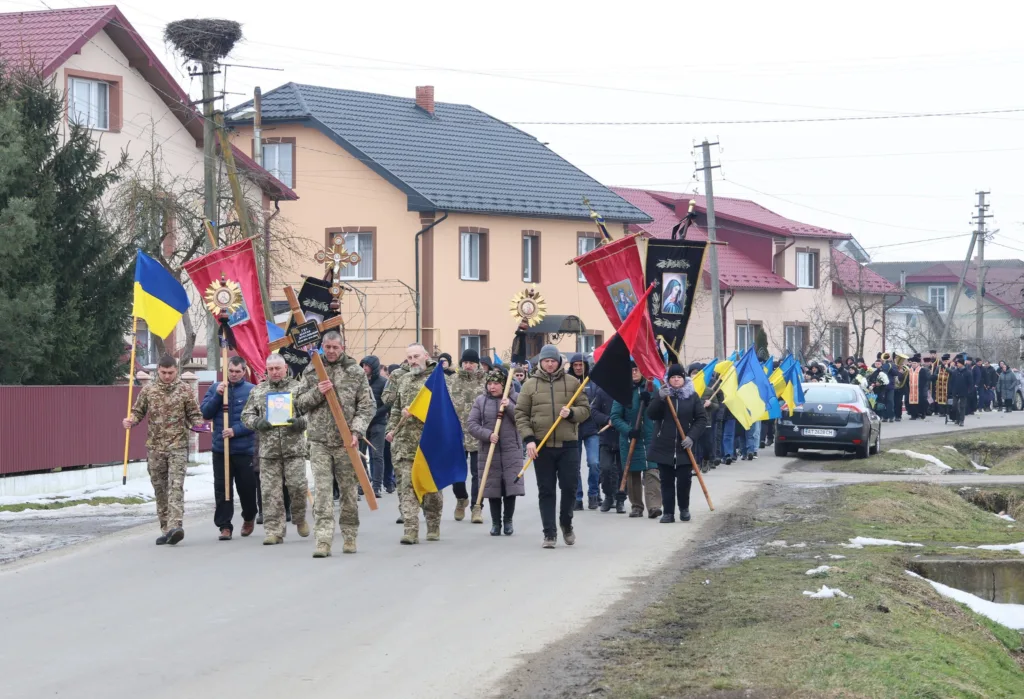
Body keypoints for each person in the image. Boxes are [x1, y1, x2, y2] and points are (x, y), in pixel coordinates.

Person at [294, 331, 375, 557]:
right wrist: (317, 392)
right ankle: (323, 540)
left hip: (345, 442)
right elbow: (298, 403)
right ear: (322, 346)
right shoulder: (312, 370)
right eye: (327, 347)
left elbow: (367, 406)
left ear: (342, 347)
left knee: (348, 491)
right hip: (319, 441)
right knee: (322, 492)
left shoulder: (355, 372)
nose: (330, 351)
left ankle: (349, 535)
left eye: (334, 347)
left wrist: (356, 431)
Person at [514, 344, 591, 549]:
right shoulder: (530, 385)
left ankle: (566, 523)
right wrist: (529, 439)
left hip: (568, 445)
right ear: (541, 362)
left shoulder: (572, 382)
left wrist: (572, 413)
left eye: (553, 361)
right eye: (546, 361)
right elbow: (520, 414)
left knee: (569, 487)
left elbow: (585, 409)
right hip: (542, 445)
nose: (550, 364)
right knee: (546, 490)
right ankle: (549, 532)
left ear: (559, 362)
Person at [122, 354, 204, 546]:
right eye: (164, 372)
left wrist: (200, 425)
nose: (167, 376)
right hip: (155, 447)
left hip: (178, 446)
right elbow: (138, 411)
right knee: (160, 489)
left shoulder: (184, 390)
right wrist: (131, 420)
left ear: (176, 371)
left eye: (171, 372)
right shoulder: (149, 390)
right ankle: (166, 529)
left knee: (175, 486)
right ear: (158, 371)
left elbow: (194, 414)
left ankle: (176, 525)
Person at [241, 354, 310, 544]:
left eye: (278, 368)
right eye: (271, 369)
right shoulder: (258, 391)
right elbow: (246, 415)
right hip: (269, 451)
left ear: (285, 368)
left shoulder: (298, 389)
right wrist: (257, 422)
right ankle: (274, 531)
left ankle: (299, 518)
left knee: (297, 486)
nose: (275, 372)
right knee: (270, 492)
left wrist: (300, 422)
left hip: (294, 449)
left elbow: (312, 414)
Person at [386, 344, 445, 544]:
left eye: (416, 356)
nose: (412, 361)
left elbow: (444, 412)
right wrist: (391, 430)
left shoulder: (437, 380)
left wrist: (419, 412)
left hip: (429, 444)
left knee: (431, 489)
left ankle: (433, 524)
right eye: (409, 357)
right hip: (405, 443)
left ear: (426, 356)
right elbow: (396, 409)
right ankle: (410, 529)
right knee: (407, 488)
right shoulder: (404, 380)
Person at [200, 356, 258, 541]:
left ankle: (249, 517)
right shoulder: (215, 388)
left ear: (243, 372)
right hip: (221, 449)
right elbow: (205, 413)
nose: (233, 375)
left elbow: (255, 420)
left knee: (247, 488)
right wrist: (218, 395)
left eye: (237, 371)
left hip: (244, 449)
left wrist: (235, 430)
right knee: (222, 489)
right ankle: (225, 526)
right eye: (230, 371)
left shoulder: (252, 391)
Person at [647, 364, 708, 523]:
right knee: (666, 481)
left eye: (679, 377)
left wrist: (691, 437)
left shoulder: (692, 396)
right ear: (668, 379)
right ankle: (668, 512)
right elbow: (651, 414)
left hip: (684, 447)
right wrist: (659, 398)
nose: (676, 380)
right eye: (673, 377)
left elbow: (701, 419)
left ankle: (684, 508)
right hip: (664, 445)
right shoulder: (663, 395)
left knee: (684, 481)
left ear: (684, 379)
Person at [467, 368, 525, 536]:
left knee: (510, 486)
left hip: (511, 450)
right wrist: (488, 435)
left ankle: (508, 521)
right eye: (490, 383)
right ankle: (495, 523)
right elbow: (472, 424)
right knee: (493, 487)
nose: (492, 387)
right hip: (489, 450)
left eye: (496, 383)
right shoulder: (481, 401)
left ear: (503, 385)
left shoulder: (515, 398)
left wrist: (509, 407)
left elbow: (523, 419)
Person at [611, 364, 662, 519]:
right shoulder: (622, 392)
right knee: (633, 473)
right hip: (630, 438)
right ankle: (636, 506)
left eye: (636, 369)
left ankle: (654, 506)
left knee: (652, 470)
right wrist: (629, 430)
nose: (634, 372)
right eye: (631, 370)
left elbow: (660, 410)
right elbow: (615, 417)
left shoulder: (651, 388)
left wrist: (650, 400)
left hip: (649, 437)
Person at [449, 348, 487, 523]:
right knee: (456, 472)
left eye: (471, 362)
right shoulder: (452, 381)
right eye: (465, 362)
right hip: (457, 433)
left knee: (478, 473)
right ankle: (461, 498)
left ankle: (476, 507)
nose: (468, 365)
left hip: (479, 433)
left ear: (477, 364)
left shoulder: (486, 381)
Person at [568, 353, 601, 510]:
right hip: (573, 427)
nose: (578, 368)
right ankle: (577, 496)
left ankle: (594, 493)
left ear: (586, 365)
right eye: (575, 365)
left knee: (594, 462)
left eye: (581, 365)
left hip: (591, 428)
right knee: (574, 466)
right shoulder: (567, 382)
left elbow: (599, 402)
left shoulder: (594, 381)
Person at [590, 383, 625, 513]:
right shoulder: (602, 391)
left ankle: (620, 499)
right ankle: (608, 496)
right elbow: (594, 411)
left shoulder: (626, 391)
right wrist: (607, 419)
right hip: (606, 437)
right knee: (605, 468)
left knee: (623, 470)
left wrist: (620, 421)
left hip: (623, 436)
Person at [360, 355, 389, 500]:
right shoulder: (359, 381)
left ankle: (377, 486)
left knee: (377, 455)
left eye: (367, 366)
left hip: (378, 423)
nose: (364, 368)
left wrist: (374, 413)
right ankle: (363, 483)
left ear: (374, 367)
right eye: (363, 365)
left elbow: (388, 403)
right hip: (361, 423)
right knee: (360, 454)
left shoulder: (383, 382)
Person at [906, 354, 930, 420]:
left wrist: (920, 386)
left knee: (921, 402)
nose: (913, 364)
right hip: (911, 389)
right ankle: (914, 415)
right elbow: (907, 379)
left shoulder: (922, 370)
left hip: (919, 389)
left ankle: (922, 413)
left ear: (918, 364)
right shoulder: (909, 370)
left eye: (915, 363)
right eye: (912, 363)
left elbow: (925, 379)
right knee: (912, 403)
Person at [948, 355, 970, 427]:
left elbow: (970, 383)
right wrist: (951, 390)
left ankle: (961, 420)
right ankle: (957, 418)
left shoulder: (967, 372)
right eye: (957, 363)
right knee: (954, 405)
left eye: (958, 363)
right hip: (955, 391)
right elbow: (951, 382)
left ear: (962, 364)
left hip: (963, 392)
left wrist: (969, 390)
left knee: (962, 406)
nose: (957, 364)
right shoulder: (955, 372)